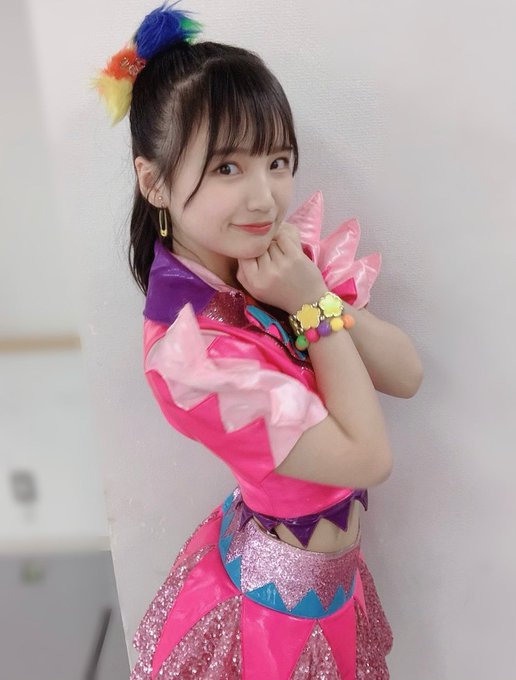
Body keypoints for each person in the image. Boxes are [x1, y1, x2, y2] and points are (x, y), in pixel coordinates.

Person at [95, 3, 423, 678]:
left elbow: (406, 373)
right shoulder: (190, 355)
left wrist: (311, 294)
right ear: (153, 181)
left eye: (277, 161)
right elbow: (367, 457)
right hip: (272, 620)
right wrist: (310, 307)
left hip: (328, 583)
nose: (265, 198)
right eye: (226, 168)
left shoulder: (273, 260)